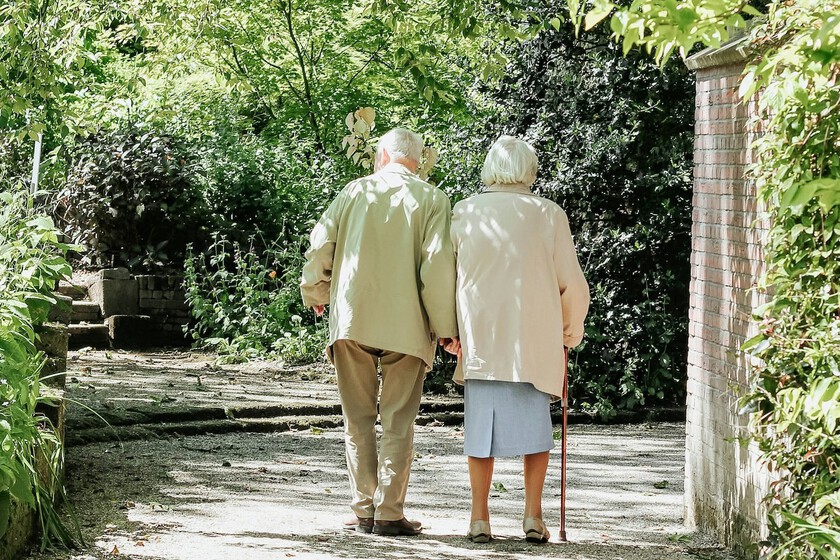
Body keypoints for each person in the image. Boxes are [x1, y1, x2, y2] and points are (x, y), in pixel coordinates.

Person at [300, 127, 459, 537]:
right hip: (408, 325)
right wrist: (446, 329)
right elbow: (437, 267)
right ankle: (389, 513)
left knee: (357, 419)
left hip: (354, 319)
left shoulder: (353, 192)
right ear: (418, 160)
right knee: (398, 421)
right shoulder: (433, 199)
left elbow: (321, 245)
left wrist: (315, 290)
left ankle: (363, 509)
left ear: (382, 156)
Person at [448, 135, 590, 544]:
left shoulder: (465, 211)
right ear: (530, 169)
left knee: (480, 430)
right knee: (535, 430)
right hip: (534, 337)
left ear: (490, 168)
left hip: (482, 337)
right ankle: (532, 515)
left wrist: (449, 330)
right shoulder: (548, 214)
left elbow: (447, 277)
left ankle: (479, 517)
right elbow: (571, 284)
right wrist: (569, 330)